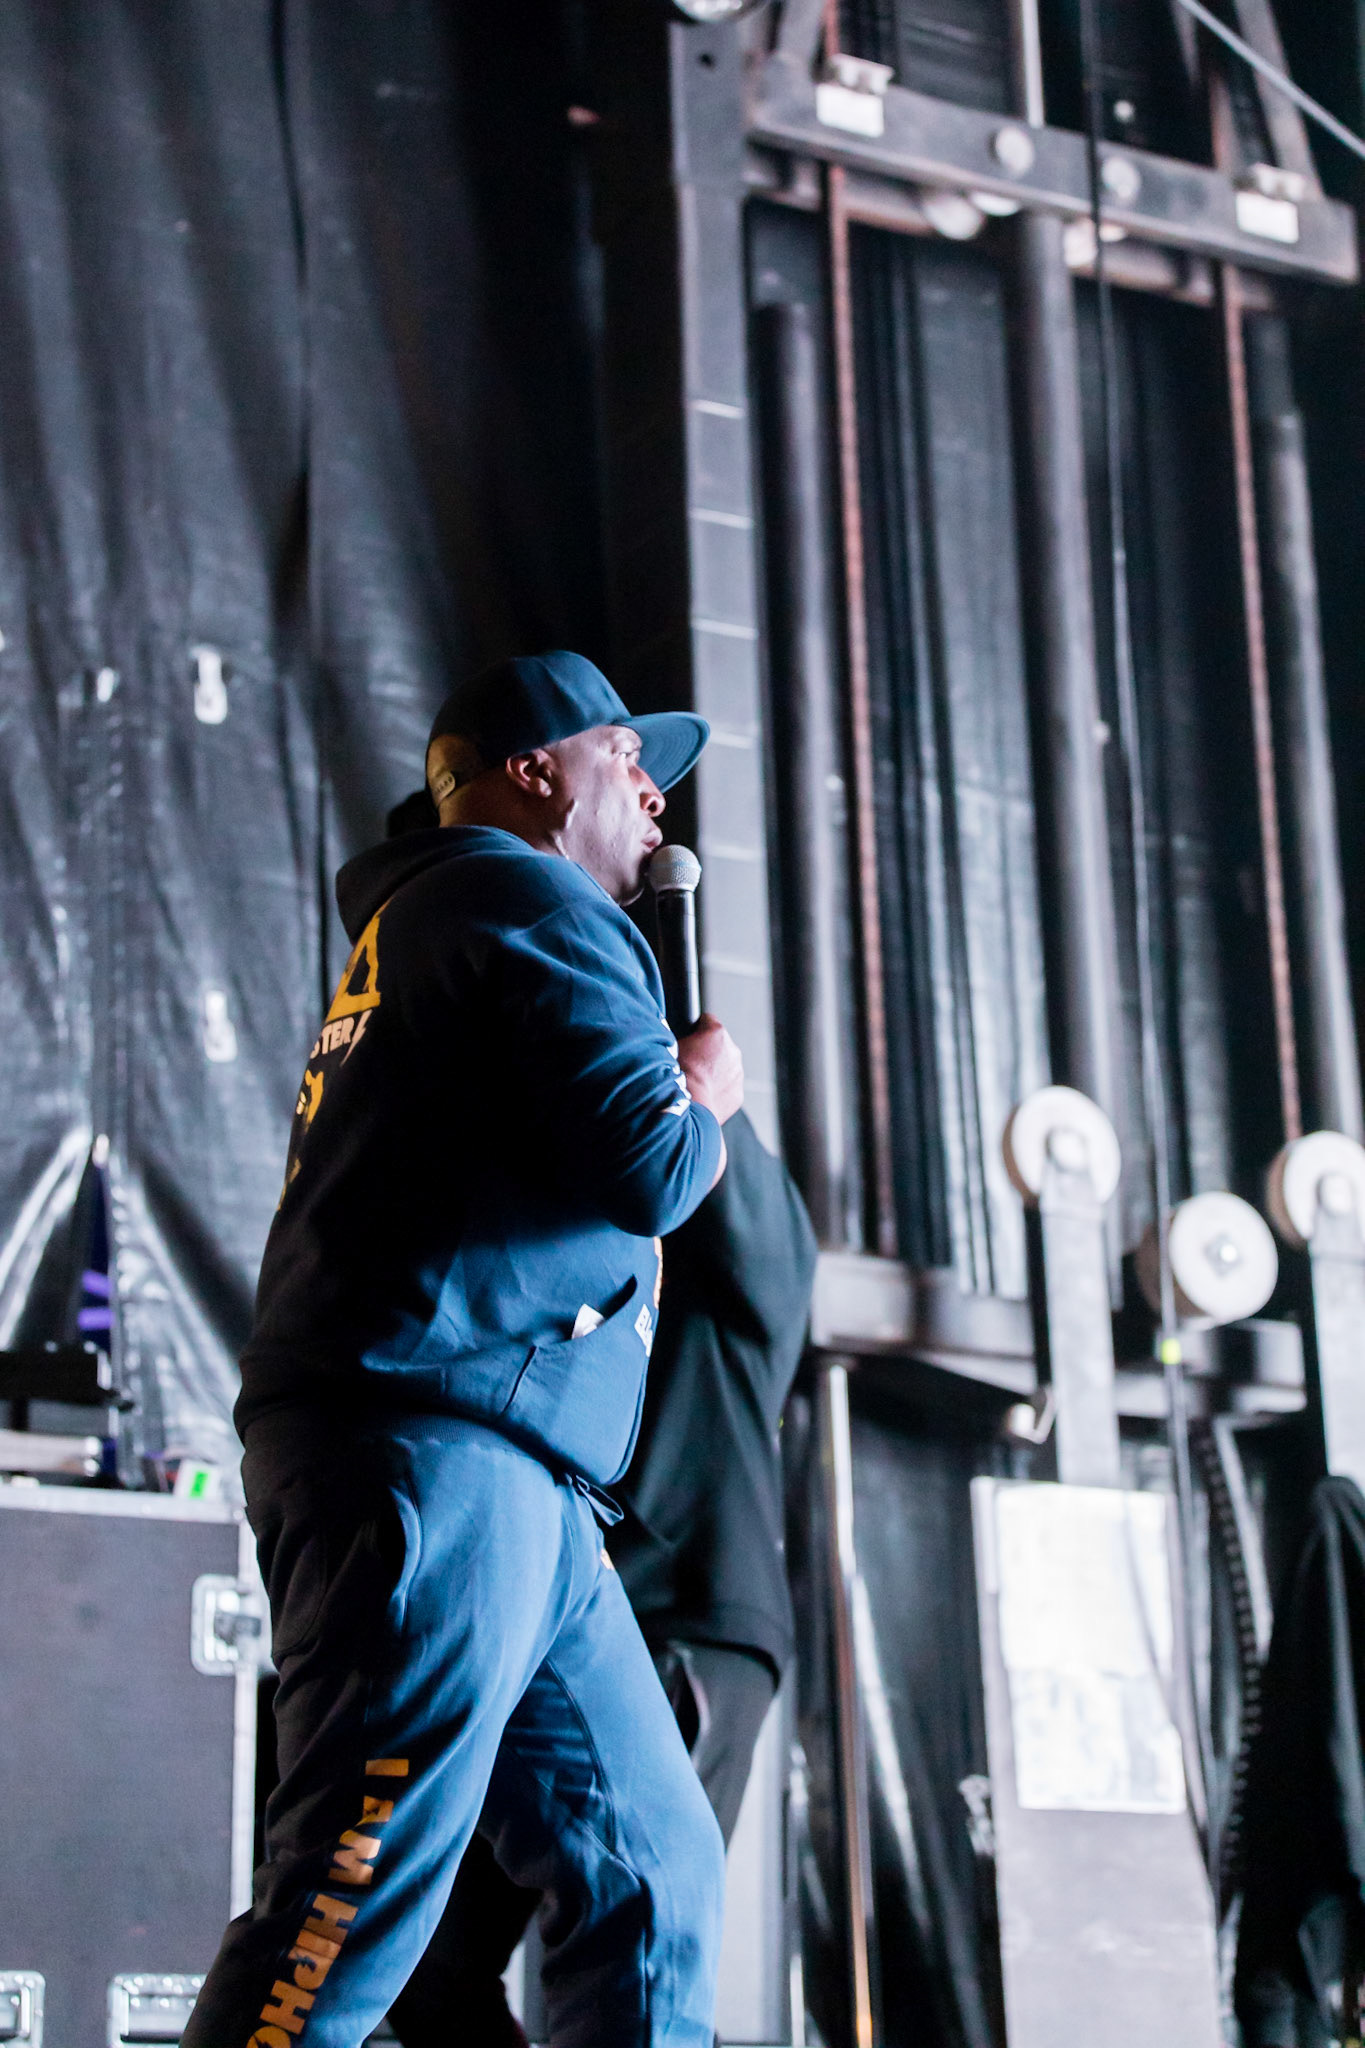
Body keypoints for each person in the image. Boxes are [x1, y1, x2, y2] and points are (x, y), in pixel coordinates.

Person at [181, 650, 744, 2048]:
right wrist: (707, 1094)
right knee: (347, 1897)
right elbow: (652, 1168)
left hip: (519, 1479)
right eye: (631, 758)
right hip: (437, 1460)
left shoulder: (435, 926)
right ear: (536, 769)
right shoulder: (522, 896)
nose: (659, 804)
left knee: (654, 1874)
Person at [387, 1104, 818, 2048]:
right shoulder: (570, 1264)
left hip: (679, 1621)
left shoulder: (746, 1260)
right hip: (555, 1615)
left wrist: (691, 1087)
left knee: (637, 1935)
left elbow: (709, 1146)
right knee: (420, 1961)